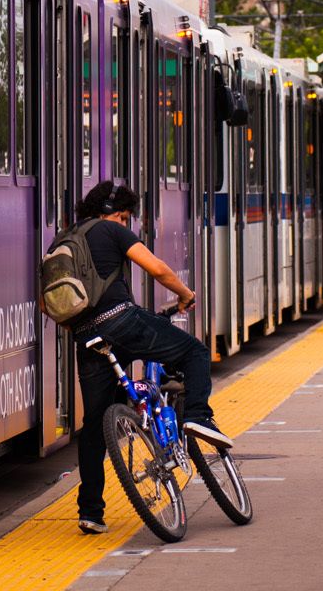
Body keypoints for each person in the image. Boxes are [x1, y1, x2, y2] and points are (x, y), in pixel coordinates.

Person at [71, 178, 230, 534]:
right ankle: (199, 417)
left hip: (87, 338)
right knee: (194, 352)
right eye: (125, 217)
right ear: (113, 213)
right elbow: (157, 269)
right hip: (122, 323)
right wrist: (185, 293)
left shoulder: (64, 240)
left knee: (95, 424)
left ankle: (90, 512)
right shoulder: (111, 232)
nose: (126, 223)